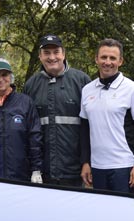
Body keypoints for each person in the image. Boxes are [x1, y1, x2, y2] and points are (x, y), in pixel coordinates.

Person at [79, 38, 134, 194]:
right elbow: (84, 129)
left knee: (125, 215)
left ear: (120, 61)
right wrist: (85, 162)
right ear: (96, 59)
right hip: (97, 167)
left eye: (112, 58)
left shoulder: (132, 89)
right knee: (102, 215)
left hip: (124, 166)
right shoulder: (87, 90)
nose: (107, 62)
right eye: (103, 57)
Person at [23, 34, 91, 187]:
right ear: (40, 56)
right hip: (42, 171)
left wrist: (87, 162)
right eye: (46, 53)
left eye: (56, 52)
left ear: (63, 54)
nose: (52, 57)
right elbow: (27, 130)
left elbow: (92, 126)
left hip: (74, 171)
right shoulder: (31, 85)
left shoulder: (82, 81)